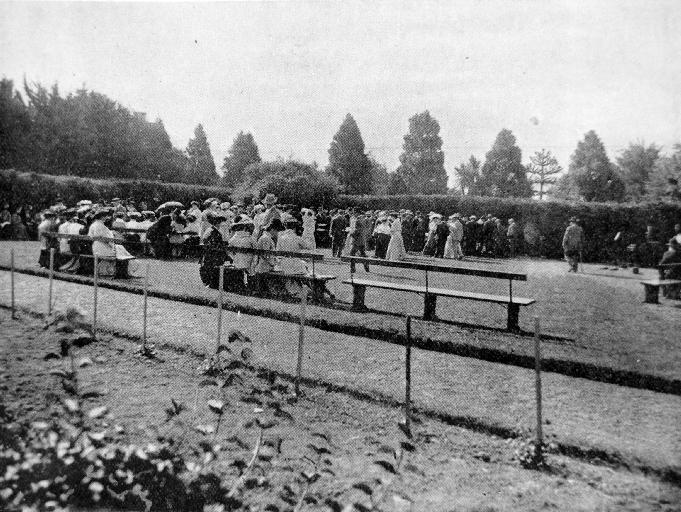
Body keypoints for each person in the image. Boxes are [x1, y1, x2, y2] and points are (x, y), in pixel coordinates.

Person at [199, 212, 231, 289]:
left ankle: (209, 283)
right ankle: (211, 283)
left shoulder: (209, 230)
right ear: (217, 223)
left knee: (208, 268)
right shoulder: (214, 232)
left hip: (209, 253)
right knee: (212, 269)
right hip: (213, 254)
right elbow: (215, 245)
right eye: (220, 223)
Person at [252, 219, 284, 294]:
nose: (277, 233)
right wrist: (273, 263)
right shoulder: (266, 238)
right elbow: (265, 255)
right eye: (277, 231)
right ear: (272, 229)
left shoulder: (267, 237)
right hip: (264, 267)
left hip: (265, 266)